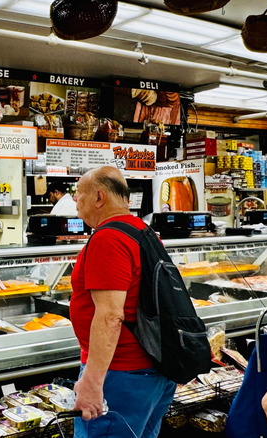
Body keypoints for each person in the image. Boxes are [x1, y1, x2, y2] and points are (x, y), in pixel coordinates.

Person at [70, 166, 175, 437]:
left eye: (78, 194)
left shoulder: (108, 239)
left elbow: (109, 316)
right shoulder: (141, 230)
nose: (75, 200)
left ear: (99, 197)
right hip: (152, 371)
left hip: (121, 375)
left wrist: (92, 381)